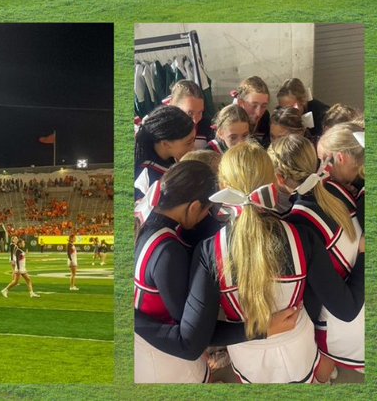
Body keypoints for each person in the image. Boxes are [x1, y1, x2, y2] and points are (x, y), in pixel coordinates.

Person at [136, 142, 364, 383]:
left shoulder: (209, 251)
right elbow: (340, 308)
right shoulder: (303, 237)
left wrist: (260, 329)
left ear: (223, 188)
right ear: (275, 186)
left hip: (249, 355)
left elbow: (196, 336)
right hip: (298, 345)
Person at [134, 161, 236, 383]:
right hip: (165, 357)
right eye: (206, 211)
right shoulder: (168, 250)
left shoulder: (146, 219)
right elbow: (192, 334)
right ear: (193, 207)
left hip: (150, 345)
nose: (204, 218)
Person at [275, 135, 363, 378]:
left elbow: (345, 309)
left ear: (280, 179)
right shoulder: (335, 187)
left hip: (348, 319)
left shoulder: (298, 222)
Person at [134, 105, 196, 200]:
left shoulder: (167, 159)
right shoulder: (149, 179)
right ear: (166, 144)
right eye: (188, 143)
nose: (193, 147)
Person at [233, 76, 272, 147]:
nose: (258, 113)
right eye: (254, 106)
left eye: (263, 106)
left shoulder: (265, 117)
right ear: (240, 103)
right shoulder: (230, 121)